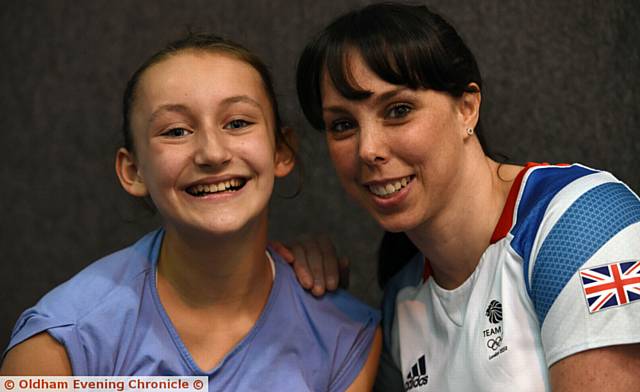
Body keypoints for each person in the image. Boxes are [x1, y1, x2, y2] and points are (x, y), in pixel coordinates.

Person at [1, 33, 382, 390]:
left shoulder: (345, 335)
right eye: (176, 131)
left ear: (282, 150)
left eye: (237, 122)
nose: (213, 154)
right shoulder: (62, 343)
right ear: (133, 171)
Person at [291, 2, 640, 391]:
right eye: (342, 125)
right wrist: (305, 297)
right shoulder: (402, 296)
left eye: (398, 110)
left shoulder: (583, 222)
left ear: (467, 108)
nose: (367, 149)